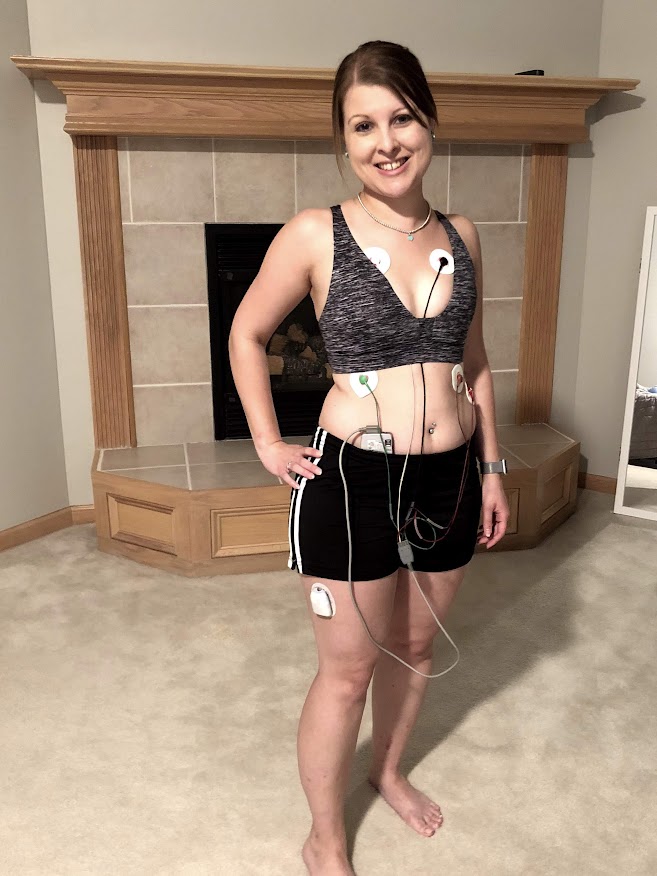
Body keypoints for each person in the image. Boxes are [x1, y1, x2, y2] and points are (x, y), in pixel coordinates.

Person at [229, 40, 510, 876]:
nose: (385, 142)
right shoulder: (315, 233)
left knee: (416, 649)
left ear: (428, 122)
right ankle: (324, 835)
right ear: (342, 139)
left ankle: (386, 772)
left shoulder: (462, 235)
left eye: (401, 118)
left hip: (449, 476)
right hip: (351, 477)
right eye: (362, 126)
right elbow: (246, 331)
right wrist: (266, 441)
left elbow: (475, 362)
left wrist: (492, 468)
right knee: (346, 672)